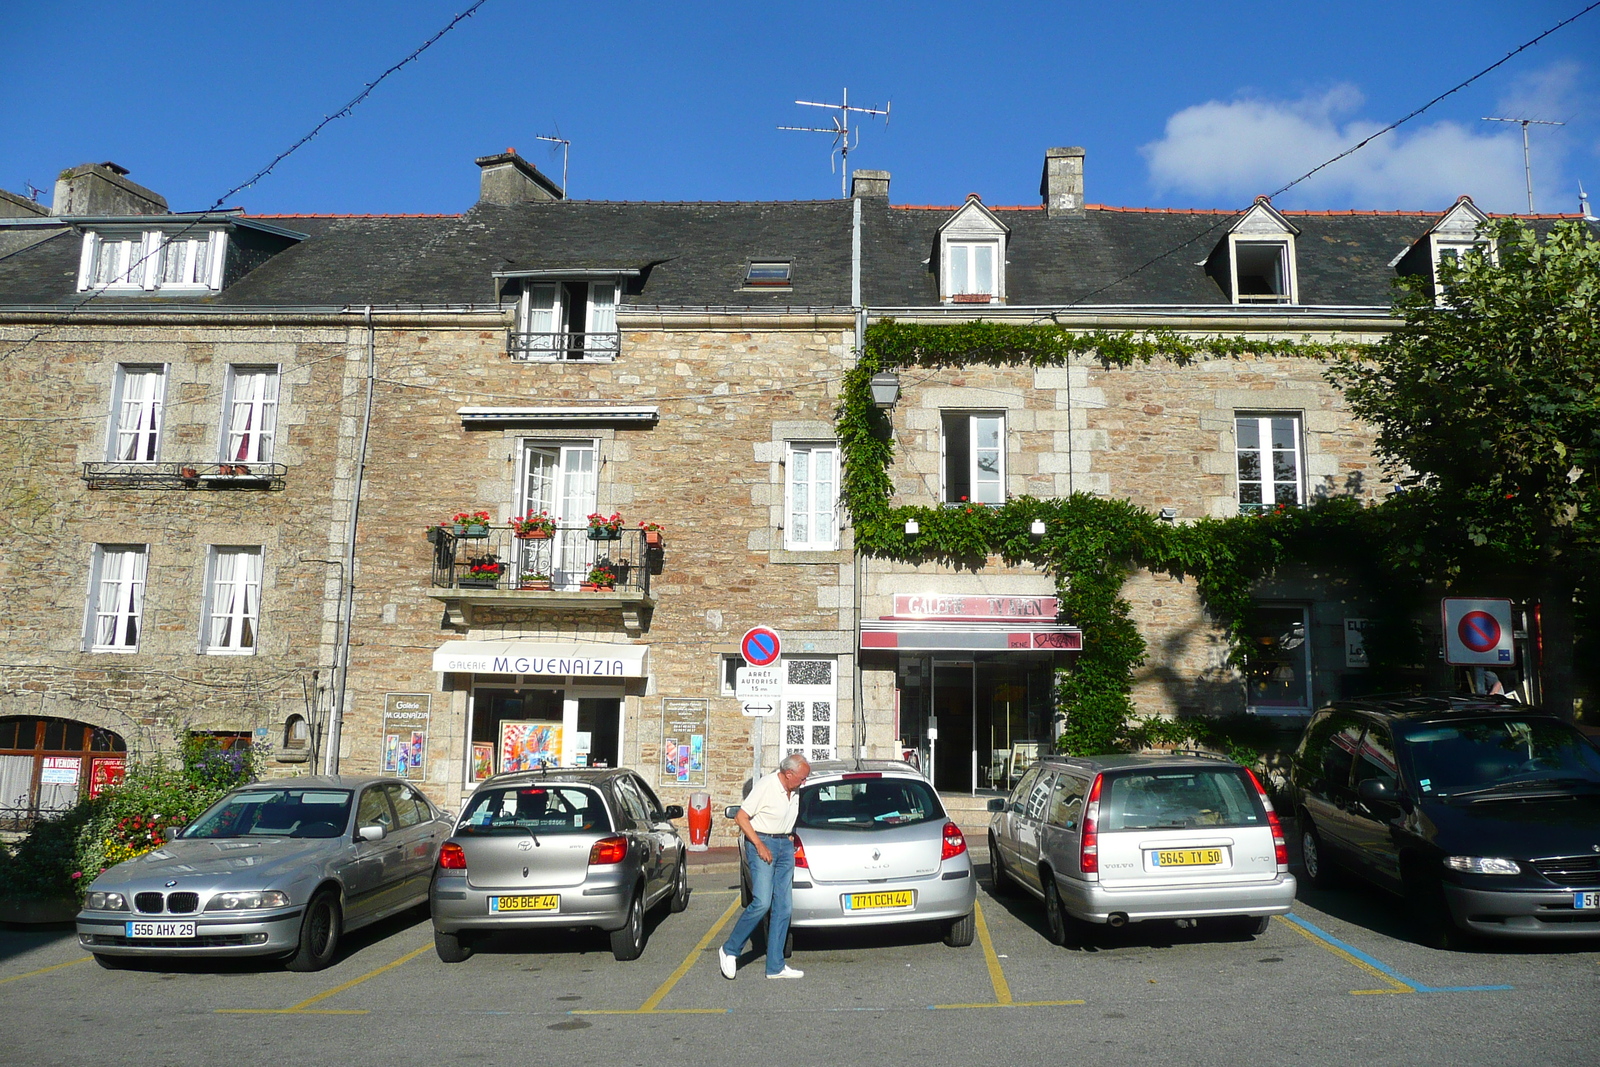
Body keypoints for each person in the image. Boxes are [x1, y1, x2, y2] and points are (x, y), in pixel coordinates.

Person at [718, 752, 810, 980]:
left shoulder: (794, 789)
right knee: (761, 902)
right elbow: (741, 817)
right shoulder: (767, 785)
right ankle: (730, 950)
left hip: (784, 844)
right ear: (788, 774)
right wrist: (759, 845)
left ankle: (775, 966)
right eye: (801, 778)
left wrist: (788, 837)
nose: (804, 782)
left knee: (784, 907)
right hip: (763, 843)